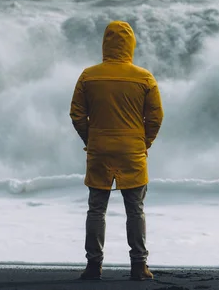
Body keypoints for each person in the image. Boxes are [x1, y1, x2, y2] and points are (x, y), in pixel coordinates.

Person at [69, 20, 164, 281]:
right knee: (135, 209)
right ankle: (138, 266)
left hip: (99, 150)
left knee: (96, 209)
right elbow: (155, 118)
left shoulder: (89, 76)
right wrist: (145, 144)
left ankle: (93, 267)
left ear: (105, 43)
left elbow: (77, 114)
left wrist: (91, 139)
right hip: (132, 152)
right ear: (131, 45)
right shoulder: (144, 78)